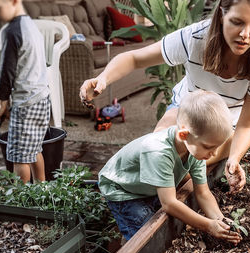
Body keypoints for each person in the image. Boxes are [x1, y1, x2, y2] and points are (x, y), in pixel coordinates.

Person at [80, 0, 250, 193]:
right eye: (237, 22)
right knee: (159, 150)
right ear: (221, 15)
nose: (245, 34)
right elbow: (134, 59)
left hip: (227, 123)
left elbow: (247, 124)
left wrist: (234, 158)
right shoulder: (194, 38)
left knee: (183, 169)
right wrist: (103, 78)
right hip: (188, 106)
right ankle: (123, 192)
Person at [98, 90, 242, 244]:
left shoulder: (196, 148)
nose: (213, 154)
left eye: (216, 147)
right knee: (147, 237)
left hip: (145, 185)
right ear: (183, 135)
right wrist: (208, 225)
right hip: (122, 188)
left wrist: (220, 221)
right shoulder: (158, 151)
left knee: (167, 222)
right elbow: (169, 203)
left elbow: (203, 193)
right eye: (209, 147)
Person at [0, 0, 50, 183]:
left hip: (26, 103)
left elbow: (7, 72)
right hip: (42, 98)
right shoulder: (30, 25)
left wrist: (2, 104)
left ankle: (20, 201)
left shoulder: (12, 31)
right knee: (34, 149)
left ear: (14, 1)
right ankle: (42, 188)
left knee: (19, 157)